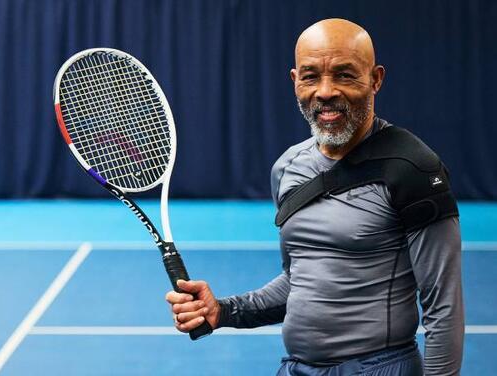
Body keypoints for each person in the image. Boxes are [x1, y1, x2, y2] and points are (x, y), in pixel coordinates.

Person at [165, 18, 464, 376]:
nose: (325, 91)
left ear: (376, 79)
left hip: (380, 368)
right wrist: (225, 311)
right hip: (297, 368)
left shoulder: (414, 168)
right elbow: (300, 279)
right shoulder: (287, 168)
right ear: (295, 82)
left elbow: (443, 308)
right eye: (310, 76)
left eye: (344, 74)